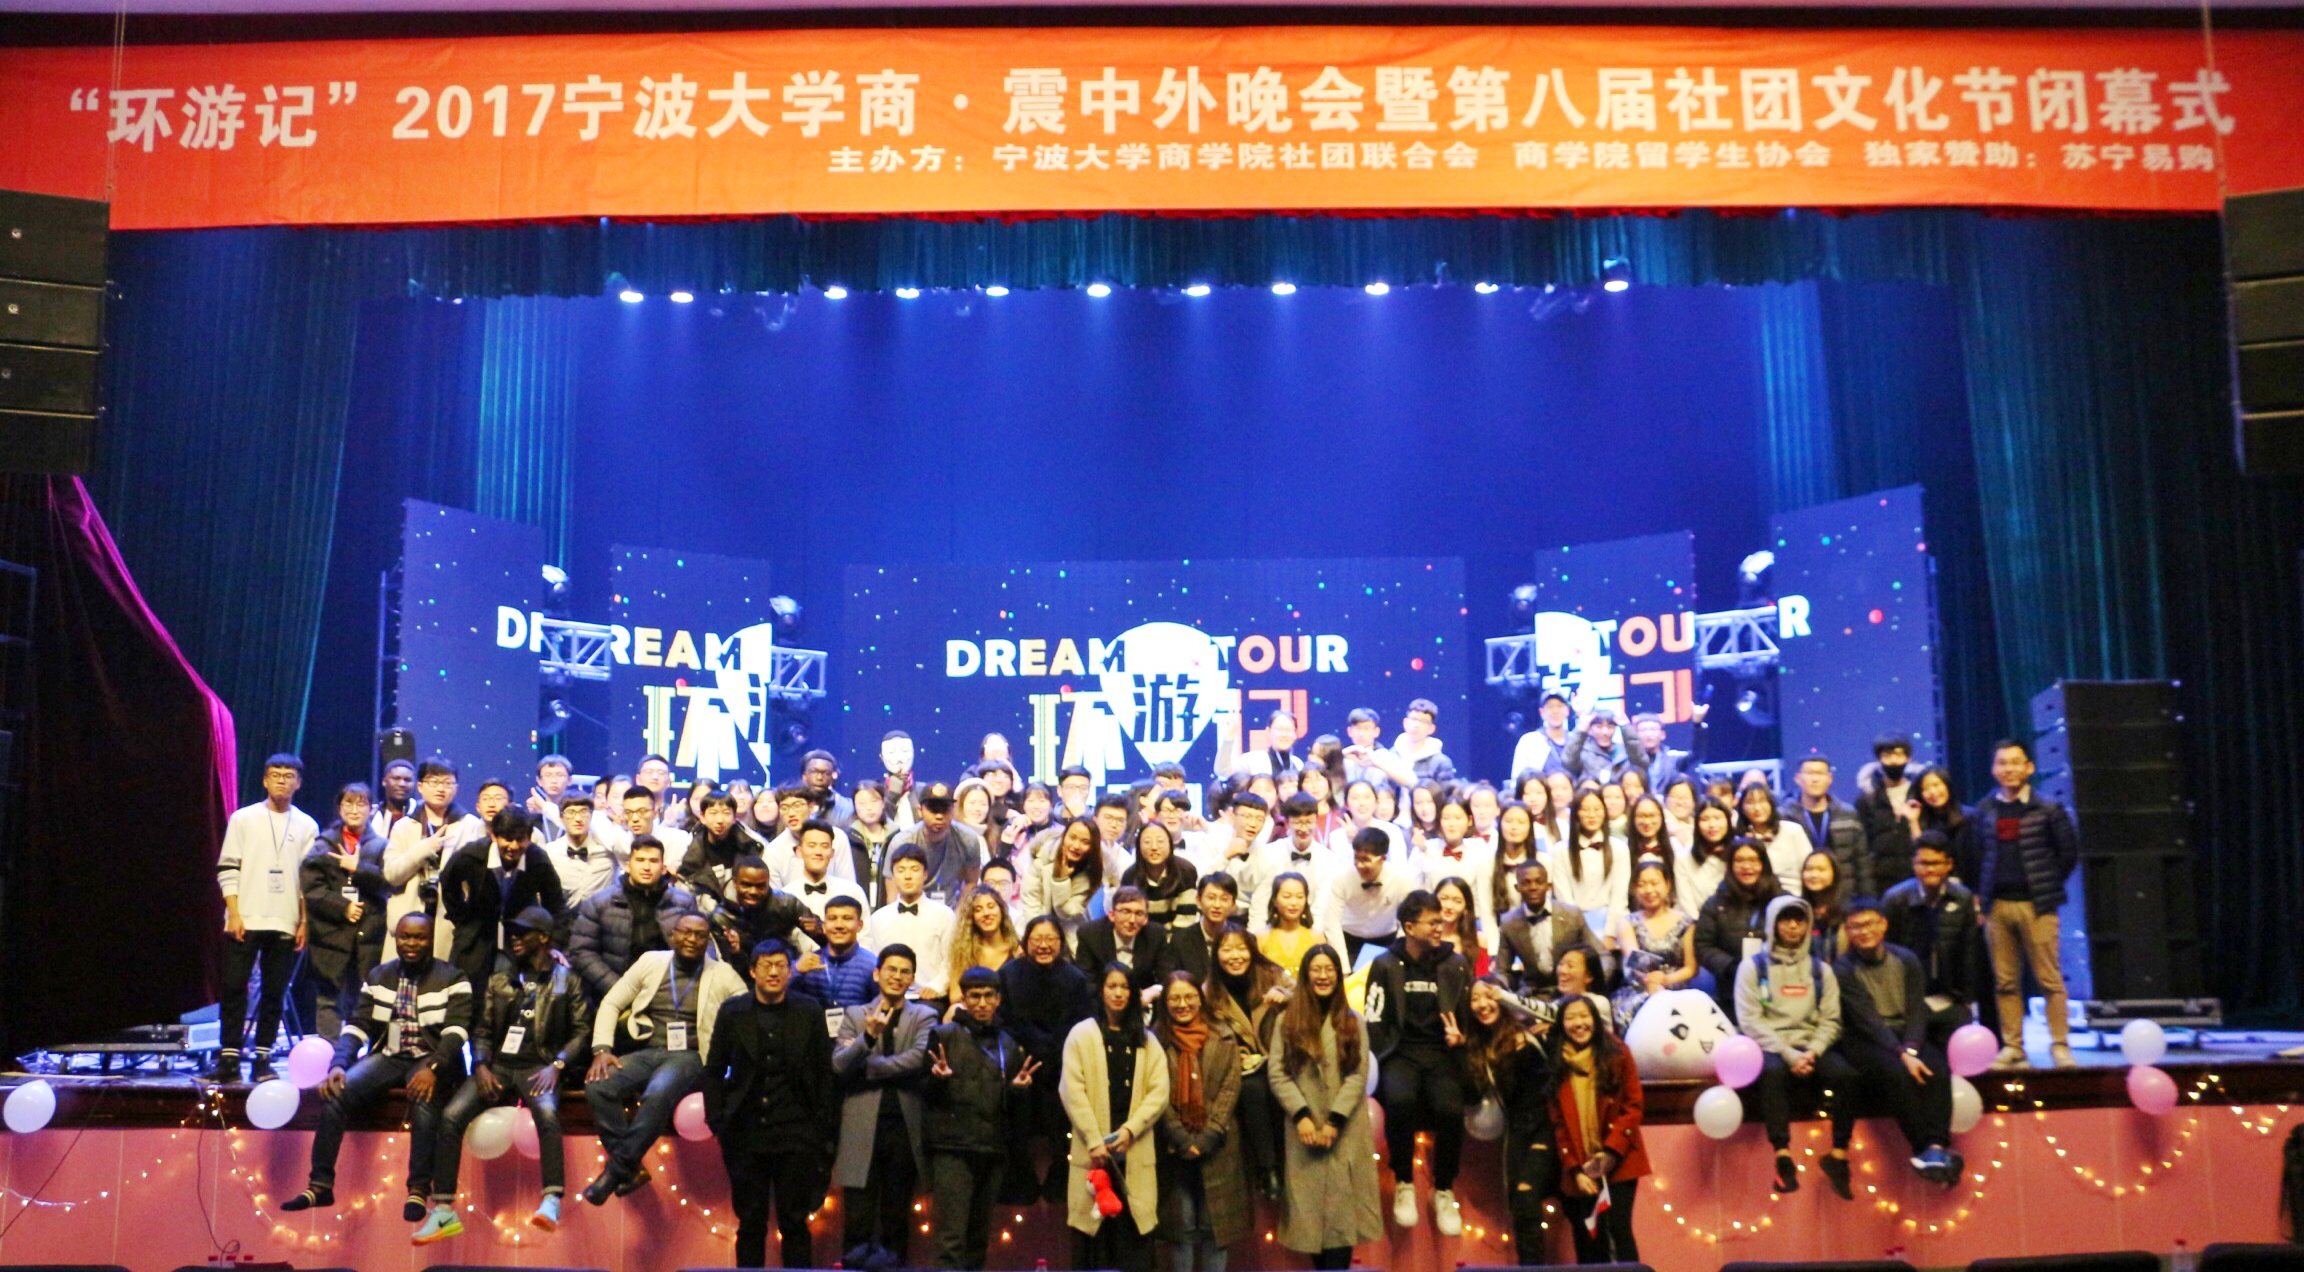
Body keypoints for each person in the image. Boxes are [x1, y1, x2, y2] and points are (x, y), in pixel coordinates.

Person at [278, 913, 469, 1218]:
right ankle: (320, 1185)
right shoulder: (379, 976)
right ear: (396, 938)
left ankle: (418, 1190)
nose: (411, 943)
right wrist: (338, 1065)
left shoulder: (453, 977)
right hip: (390, 1055)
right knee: (337, 1091)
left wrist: (433, 1068)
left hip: (431, 1057)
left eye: (419, 937)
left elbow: (457, 1031)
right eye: (405, 936)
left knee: (423, 1098)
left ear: (430, 940)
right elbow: (358, 1025)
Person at [417, 905, 591, 1242]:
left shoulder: (567, 981)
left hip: (539, 1066)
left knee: (547, 1114)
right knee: (451, 1116)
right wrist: (480, 1065)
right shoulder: (499, 980)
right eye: (512, 932)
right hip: (498, 1066)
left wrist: (557, 1065)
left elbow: (582, 1030)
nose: (514, 938)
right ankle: (443, 1211)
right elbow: (482, 1030)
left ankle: (551, 1199)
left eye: (523, 933)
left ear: (544, 938)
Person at [584, 913, 745, 1202]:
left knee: (657, 1093)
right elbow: (611, 1002)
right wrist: (602, 1049)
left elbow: (745, 1013)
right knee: (599, 1084)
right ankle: (631, 1170)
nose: (692, 939)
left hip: (691, 1056)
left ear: (708, 940)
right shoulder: (651, 962)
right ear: (673, 935)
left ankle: (615, 1171)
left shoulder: (723, 974)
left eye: (700, 935)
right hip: (649, 1050)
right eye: (685, 932)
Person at [705, 938, 842, 1269]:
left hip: (796, 1132)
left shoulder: (808, 1010)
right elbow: (713, 1070)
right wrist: (718, 1120)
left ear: (789, 971)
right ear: (752, 971)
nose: (774, 972)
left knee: (795, 1221)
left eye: (781, 965)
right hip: (746, 1132)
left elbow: (824, 1072)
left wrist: (820, 1128)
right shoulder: (733, 1011)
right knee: (750, 1223)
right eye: (766, 965)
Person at [1834, 898, 1964, 1185]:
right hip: (1866, 1038)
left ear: (1883, 924)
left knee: (1938, 1068)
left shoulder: (1906, 959)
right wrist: (1903, 1054)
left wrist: (1912, 1048)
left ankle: (1937, 1145)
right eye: (1855, 927)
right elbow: (1867, 1020)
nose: (1863, 931)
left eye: (1869, 924)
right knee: (1897, 1073)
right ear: (1847, 931)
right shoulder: (1843, 969)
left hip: (1906, 1033)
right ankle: (1922, 1147)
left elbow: (1916, 1009)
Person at [1363, 889, 1472, 1235]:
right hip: (1399, 1053)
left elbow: (1467, 1018)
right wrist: (1383, 1056)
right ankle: (1404, 1183)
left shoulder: (1455, 964)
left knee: (1451, 1110)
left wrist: (1460, 1039)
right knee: (1400, 1100)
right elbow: (1374, 1018)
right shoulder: (1384, 964)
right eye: (1432, 922)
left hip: (1441, 1054)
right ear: (1409, 927)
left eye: (1441, 921)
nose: (1440, 927)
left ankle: (1443, 1189)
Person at [1267, 944, 1382, 1269]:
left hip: (1344, 1131)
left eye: (1329, 969)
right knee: (1311, 1223)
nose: (1323, 975)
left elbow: (1358, 1074)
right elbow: (1278, 1073)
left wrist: (1334, 1122)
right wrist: (1302, 1116)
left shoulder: (1353, 1022)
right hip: (1303, 1131)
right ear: (1306, 975)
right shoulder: (1286, 1022)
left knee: (1341, 1225)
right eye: (1316, 969)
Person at [1736, 895, 1856, 1198]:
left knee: (1846, 1076)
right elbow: (1750, 1021)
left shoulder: (1821, 970)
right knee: (1772, 1074)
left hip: (1812, 1045)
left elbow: (1831, 1019)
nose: (1792, 926)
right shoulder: (1752, 968)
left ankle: (1838, 1155)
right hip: (1772, 1046)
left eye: (1799, 920)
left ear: (1808, 925)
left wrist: (1812, 1051)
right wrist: (1789, 1054)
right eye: (1785, 919)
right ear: (1773, 924)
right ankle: (1783, 1156)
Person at [1975, 739, 2081, 1070]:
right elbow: (1979, 855)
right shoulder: (1985, 809)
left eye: (2015, 762)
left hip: (2037, 907)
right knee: (2005, 982)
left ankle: (2060, 1046)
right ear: (1993, 769)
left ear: (2029, 768)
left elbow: (2068, 853)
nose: (2008, 769)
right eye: (2001, 763)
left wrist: (2046, 886)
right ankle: (2013, 1047)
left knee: (2050, 981)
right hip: (1997, 907)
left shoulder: (2048, 808)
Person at [1061, 963, 1174, 1272]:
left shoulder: (1147, 1041)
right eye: (1112, 986)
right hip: (1093, 1152)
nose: (1118, 993)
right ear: (1101, 991)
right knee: (1091, 1242)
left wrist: (1131, 1130)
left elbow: (1159, 1092)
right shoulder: (1081, 1035)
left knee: (1134, 1245)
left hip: (1133, 1149)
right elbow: (1072, 1091)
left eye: (1125, 987)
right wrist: (1093, 1140)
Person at [926, 965, 1040, 1269]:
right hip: (952, 1149)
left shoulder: (1009, 1044)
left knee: (978, 1241)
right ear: (963, 999)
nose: (982, 1003)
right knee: (950, 1240)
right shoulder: (943, 1036)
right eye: (974, 996)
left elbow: (1014, 1110)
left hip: (992, 1148)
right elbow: (925, 1096)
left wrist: (1018, 1091)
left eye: (989, 996)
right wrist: (937, 1080)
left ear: (998, 999)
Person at [832, 943, 938, 1268]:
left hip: (904, 1128)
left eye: (905, 971)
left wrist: (869, 1067)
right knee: (857, 1220)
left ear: (912, 979)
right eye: (891, 969)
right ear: (877, 974)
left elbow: (918, 1059)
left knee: (896, 1219)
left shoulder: (925, 1015)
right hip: (861, 1127)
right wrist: (866, 1037)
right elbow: (839, 1064)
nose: (897, 976)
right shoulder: (854, 1015)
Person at [215, 753, 316, 1083]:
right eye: (275, 775)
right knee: (234, 987)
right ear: (264, 780)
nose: (281, 781)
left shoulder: (307, 825)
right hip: (245, 916)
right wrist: (233, 912)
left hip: (285, 918)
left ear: (298, 783)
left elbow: (308, 879)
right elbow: (228, 867)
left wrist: (304, 921)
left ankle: (263, 1057)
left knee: (275, 992)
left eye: (288, 776)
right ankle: (229, 1058)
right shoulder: (243, 818)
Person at [1153, 972, 1249, 1272]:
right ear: (1165, 1003)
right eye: (1175, 998)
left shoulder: (1224, 1036)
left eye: (1189, 997)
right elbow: (1156, 1094)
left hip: (1219, 1145)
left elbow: (1230, 1088)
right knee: (1181, 1229)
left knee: (1214, 1229)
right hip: (1174, 1148)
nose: (1183, 1004)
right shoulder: (1155, 1041)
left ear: (1200, 998)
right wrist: (1181, 1137)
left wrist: (1209, 1135)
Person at [999, 915, 1097, 1205]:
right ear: (1025, 942)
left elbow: (1081, 1022)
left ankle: (1060, 1178)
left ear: (1061, 942)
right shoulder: (1008, 974)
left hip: (1061, 1060)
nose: (1043, 945)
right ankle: (1019, 1179)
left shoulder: (1075, 978)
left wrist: (1054, 1048)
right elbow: (1004, 1019)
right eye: (1037, 939)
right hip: (1020, 1059)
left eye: (1050, 939)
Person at [1462, 977, 1558, 1266]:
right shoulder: (1476, 1046)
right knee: (1519, 1207)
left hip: (1545, 1127)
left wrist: (1546, 1033)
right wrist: (1457, 1050)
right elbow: (1472, 1095)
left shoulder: (1530, 1035)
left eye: (1489, 996)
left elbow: (1563, 1018)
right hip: (1515, 1132)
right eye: (1475, 998)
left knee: (1528, 1198)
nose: (1483, 1004)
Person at [439, 807, 567, 1025]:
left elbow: (555, 903)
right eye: (507, 839)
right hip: (476, 938)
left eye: (520, 839)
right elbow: (448, 881)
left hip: (520, 940)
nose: (514, 846)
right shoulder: (471, 855)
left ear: (529, 838)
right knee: (467, 1000)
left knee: (514, 1003)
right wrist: (462, 919)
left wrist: (553, 942)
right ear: (494, 835)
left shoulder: (537, 859)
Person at [1549, 994, 1647, 1264]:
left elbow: (1633, 1105)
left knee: (1619, 1228)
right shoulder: (1557, 1062)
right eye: (1570, 1017)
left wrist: (1610, 1152)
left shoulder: (1618, 1053)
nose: (1578, 1023)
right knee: (1589, 1237)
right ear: (1561, 1024)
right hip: (1582, 1167)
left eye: (1584, 1016)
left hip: (1621, 1158)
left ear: (1594, 1019)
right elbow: (1558, 1123)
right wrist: (1576, 1170)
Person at [1202, 925, 1290, 1200]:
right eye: (1227, 950)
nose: (1235, 956)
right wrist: (1233, 1055)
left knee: (1277, 1086)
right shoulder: (1209, 992)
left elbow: (1304, 1001)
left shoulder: (1274, 975)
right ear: (1216, 954)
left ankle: (1286, 1166)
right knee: (1253, 1089)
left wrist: (1287, 998)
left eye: (1241, 948)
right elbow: (1210, 1038)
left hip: (1280, 1059)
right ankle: (1268, 1169)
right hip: (1240, 1068)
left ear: (1252, 951)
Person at [301, 782, 390, 1042]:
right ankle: (330, 1057)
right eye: (348, 803)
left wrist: (358, 868)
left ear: (372, 809)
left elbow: (388, 883)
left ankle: (356, 1058)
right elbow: (312, 889)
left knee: (364, 1002)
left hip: (368, 936)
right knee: (328, 1000)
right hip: (330, 937)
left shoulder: (382, 846)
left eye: (361, 803)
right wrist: (343, 907)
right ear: (339, 808)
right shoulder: (323, 845)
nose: (354, 809)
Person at [568, 837, 700, 1000]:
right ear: (628, 866)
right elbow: (581, 951)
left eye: (653, 861)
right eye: (640, 860)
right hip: (613, 992)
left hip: (669, 992)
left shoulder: (684, 902)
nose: (646, 867)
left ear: (663, 868)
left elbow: (701, 946)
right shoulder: (600, 902)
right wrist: (620, 989)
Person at [1883, 833, 1987, 1016]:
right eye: (1923, 863)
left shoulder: (1963, 898)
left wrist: (1967, 999)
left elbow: (1969, 954)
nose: (1930, 869)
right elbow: (1889, 952)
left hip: (1950, 996)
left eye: (1936, 863)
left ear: (1949, 864)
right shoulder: (1895, 899)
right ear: (1913, 864)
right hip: (1906, 997)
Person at [382, 758, 488, 934]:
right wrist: (423, 849)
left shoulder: (472, 826)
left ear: (456, 788)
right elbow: (391, 875)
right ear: (420, 786)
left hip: (452, 921)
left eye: (447, 783)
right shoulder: (404, 826)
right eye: (433, 782)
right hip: (408, 920)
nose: (440, 789)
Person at [1694, 839, 1785, 1013]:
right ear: (1730, 865)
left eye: (1753, 860)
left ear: (1763, 864)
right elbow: (1703, 946)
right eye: (1739, 860)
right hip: (1731, 988)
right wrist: (1732, 967)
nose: (1746, 866)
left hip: (1778, 983)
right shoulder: (1715, 904)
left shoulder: (1781, 900)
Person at [865, 844, 957, 1004]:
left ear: (925, 874)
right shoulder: (878, 918)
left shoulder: (944, 915)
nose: (908, 876)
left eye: (914, 869)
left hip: (930, 998)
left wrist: (935, 987)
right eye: (901, 870)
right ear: (893, 876)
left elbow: (951, 960)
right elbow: (874, 960)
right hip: (888, 997)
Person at [1610, 860, 1696, 1029]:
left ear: (1668, 885)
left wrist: (1666, 980)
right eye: (1641, 884)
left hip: (1677, 989)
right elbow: (1635, 959)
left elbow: (1691, 968)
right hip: (1639, 988)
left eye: (1654, 883)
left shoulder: (1687, 923)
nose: (1648, 890)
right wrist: (1653, 984)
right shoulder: (1628, 922)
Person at [1872, 767, 1981, 893]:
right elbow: (1921, 853)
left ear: (1947, 786)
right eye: (1925, 789)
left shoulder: (1969, 817)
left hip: (1965, 887)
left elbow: (1977, 860)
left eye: (1936, 785)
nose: (1932, 792)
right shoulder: (1920, 818)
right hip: (1931, 887)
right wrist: (1913, 821)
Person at [1496, 860, 1593, 999]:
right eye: (1526, 883)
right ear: (1517, 888)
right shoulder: (1508, 923)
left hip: (1572, 993)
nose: (1533, 887)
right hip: (1532, 995)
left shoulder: (1572, 915)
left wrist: (1593, 985)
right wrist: (1502, 991)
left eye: (1539, 882)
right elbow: (1501, 970)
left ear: (1548, 886)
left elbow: (1601, 955)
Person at [1320, 828, 1418, 963]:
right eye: (1356, 858)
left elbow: (1407, 921)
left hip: (1387, 942)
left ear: (1383, 859)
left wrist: (1398, 955)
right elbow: (1332, 922)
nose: (1359, 865)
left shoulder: (1402, 880)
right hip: (1349, 941)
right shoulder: (1342, 877)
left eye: (1366, 860)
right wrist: (1343, 966)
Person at [704, 855, 811, 972]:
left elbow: (823, 936)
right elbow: (730, 970)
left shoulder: (786, 903)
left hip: (788, 970)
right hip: (746, 976)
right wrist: (736, 952)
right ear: (735, 883)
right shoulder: (721, 918)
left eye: (760, 886)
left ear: (768, 883)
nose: (753, 891)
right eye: (746, 885)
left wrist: (817, 931)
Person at [1789, 755, 1872, 898]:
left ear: (1830, 778)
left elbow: (1862, 862)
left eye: (1820, 773)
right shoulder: (1785, 816)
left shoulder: (1848, 814)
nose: (1815, 779)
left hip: (1844, 895)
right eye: (1809, 773)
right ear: (1797, 778)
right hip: (1801, 896)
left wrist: (1868, 898)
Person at [1549, 788, 1628, 936]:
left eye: (1597, 809)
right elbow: (1563, 897)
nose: (1592, 815)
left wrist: (1610, 934)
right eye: (1585, 809)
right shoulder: (1560, 850)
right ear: (1576, 813)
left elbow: (1619, 896)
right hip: (1573, 926)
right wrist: (1578, 932)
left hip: (1611, 924)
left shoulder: (1619, 848)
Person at [892, 783, 985, 906]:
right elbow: (893, 889)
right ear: (920, 811)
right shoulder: (903, 842)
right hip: (912, 906)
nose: (939, 816)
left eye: (945, 809)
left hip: (952, 908)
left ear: (953, 810)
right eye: (933, 809)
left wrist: (960, 913)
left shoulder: (968, 840)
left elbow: (971, 882)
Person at [1024, 817, 1105, 952]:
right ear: (1064, 836)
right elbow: (1030, 901)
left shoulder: (1091, 873)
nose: (1076, 846)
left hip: (1069, 935)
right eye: (1072, 838)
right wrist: (1041, 935)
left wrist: (1061, 880)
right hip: (1035, 928)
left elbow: (1065, 913)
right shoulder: (1042, 858)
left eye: (1085, 842)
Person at [1076, 885, 1170, 993]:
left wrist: (1153, 991)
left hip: (1144, 997)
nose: (1132, 920)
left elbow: (1167, 978)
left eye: (1139, 913)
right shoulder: (1090, 934)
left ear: (1145, 918)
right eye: (1126, 911)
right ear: (1112, 915)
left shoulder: (1156, 935)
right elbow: (1086, 982)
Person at [797, 896, 880, 1008]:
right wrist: (796, 971)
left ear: (859, 925)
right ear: (824, 926)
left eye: (847, 918)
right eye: (832, 919)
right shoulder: (807, 963)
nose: (839, 925)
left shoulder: (872, 965)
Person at [541, 794, 620, 909]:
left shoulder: (608, 851)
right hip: (562, 917)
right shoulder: (550, 852)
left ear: (591, 816)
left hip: (601, 916)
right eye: (571, 812)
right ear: (561, 817)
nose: (578, 819)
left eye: (583, 812)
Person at [1161, 873, 1241, 985]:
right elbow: (1170, 981)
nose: (1217, 905)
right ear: (1198, 900)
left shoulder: (1243, 938)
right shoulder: (1180, 940)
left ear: (1233, 905)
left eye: (1224, 899)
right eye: (1211, 898)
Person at [1738, 783, 1814, 896]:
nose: (1757, 808)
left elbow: (1810, 868)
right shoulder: (1740, 839)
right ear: (1742, 808)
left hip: (1794, 897)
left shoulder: (1792, 830)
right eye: (1750, 802)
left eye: (1762, 801)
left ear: (1771, 804)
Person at [1124, 821, 1201, 931]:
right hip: (1142, 936)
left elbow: (1186, 919)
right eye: (1147, 842)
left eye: (1160, 841)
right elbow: (1130, 918)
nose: (1154, 847)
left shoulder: (1185, 872)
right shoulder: (1130, 876)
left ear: (1170, 844)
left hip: (1179, 936)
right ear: (1138, 846)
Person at [950, 882, 1023, 991]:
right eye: (978, 910)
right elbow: (955, 994)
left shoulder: (1018, 950)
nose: (986, 913)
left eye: (991, 906)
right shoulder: (963, 952)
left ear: (1001, 910)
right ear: (972, 918)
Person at [1677, 798, 1736, 921]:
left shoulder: (1739, 853)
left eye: (1717, 818)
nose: (1712, 824)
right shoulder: (1684, 858)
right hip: (1698, 924)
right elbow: (1686, 904)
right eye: (1705, 819)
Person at [1221, 706, 1305, 781]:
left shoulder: (1298, 764)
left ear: (1296, 734)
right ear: (1268, 732)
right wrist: (1230, 735)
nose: (1284, 734)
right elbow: (1223, 771)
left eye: (1289, 729)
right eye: (1279, 729)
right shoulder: (1252, 760)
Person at [1509, 691, 1577, 783]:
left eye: (1559, 706)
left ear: (1567, 710)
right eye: (1550, 707)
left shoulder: (1576, 740)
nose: (1555, 711)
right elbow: (1517, 778)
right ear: (1542, 712)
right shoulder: (1529, 741)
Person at [1259, 871, 1320, 972]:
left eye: (1300, 897)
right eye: (1287, 897)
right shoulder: (1261, 937)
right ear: (1274, 900)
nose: (1294, 903)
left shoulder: (1316, 937)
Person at [1559, 706, 1633, 784]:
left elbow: (1639, 762)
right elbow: (1568, 761)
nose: (1605, 732)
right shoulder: (1582, 752)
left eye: (1610, 727)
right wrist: (1581, 730)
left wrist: (1626, 728)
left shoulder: (1623, 752)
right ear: (1590, 729)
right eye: (1599, 727)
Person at [1801, 849, 1852, 957]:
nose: (1814, 875)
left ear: (1834, 874)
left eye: (1821, 870)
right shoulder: (1799, 908)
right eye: (1809, 869)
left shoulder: (1848, 908)